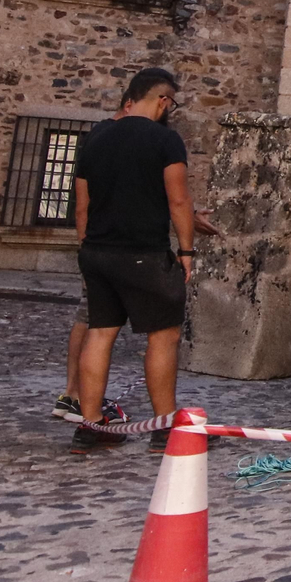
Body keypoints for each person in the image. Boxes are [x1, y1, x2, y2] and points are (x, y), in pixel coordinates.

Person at [68, 67, 206, 454]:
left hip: (96, 251)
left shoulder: (96, 138)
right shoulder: (165, 140)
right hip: (141, 253)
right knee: (164, 336)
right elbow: (178, 200)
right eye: (171, 103)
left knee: (100, 332)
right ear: (162, 100)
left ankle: (90, 424)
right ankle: (165, 427)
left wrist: (87, 247)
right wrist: (186, 250)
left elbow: (83, 204)